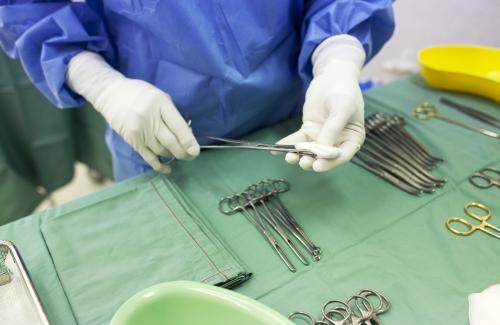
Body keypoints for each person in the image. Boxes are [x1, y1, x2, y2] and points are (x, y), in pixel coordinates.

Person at [0, 1, 394, 181]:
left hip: (293, 121)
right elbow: (29, 11)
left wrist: (337, 57)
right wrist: (102, 85)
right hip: (157, 137)